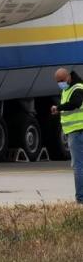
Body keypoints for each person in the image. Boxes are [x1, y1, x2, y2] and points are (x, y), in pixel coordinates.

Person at [51, 67, 83, 204]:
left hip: (77, 132)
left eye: (62, 80)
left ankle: (80, 198)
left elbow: (76, 104)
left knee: (78, 166)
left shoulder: (77, 88)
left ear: (69, 77)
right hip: (75, 131)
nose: (60, 83)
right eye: (58, 82)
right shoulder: (67, 89)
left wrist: (58, 108)